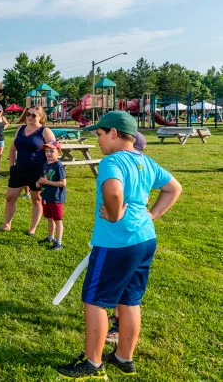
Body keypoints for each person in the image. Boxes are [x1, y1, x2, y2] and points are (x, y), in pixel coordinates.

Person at [56, 111, 182, 379]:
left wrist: (114, 216)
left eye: (100, 134)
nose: (98, 140)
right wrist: (152, 215)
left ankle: (93, 362)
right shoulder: (145, 161)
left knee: (95, 301)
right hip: (145, 239)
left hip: (116, 243)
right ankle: (124, 357)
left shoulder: (111, 161)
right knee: (130, 299)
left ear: (114, 133)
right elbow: (174, 188)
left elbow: (113, 191)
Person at [106, 130, 147, 344]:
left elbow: (115, 194)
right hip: (137, 238)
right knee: (129, 292)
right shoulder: (135, 165)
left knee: (126, 292)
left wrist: (116, 215)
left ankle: (119, 325)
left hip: (126, 238)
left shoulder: (130, 166)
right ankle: (123, 352)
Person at [0, 106, 55, 235]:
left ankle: (32, 228)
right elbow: (12, 149)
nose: (29, 117)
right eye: (28, 114)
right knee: (10, 198)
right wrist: (12, 166)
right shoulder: (21, 129)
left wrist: (49, 169)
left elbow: (55, 150)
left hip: (38, 171)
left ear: (40, 117)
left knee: (36, 200)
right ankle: (7, 224)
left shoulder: (45, 131)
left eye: (33, 115)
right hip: (19, 170)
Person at [36, 140, 66, 251]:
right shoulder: (46, 164)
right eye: (47, 151)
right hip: (46, 196)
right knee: (49, 218)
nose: (48, 153)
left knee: (57, 220)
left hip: (56, 198)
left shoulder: (59, 166)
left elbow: (63, 183)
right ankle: (50, 237)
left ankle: (59, 243)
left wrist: (46, 182)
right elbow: (45, 177)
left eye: (52, 151)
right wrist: (40, 182)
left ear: (58, 152)